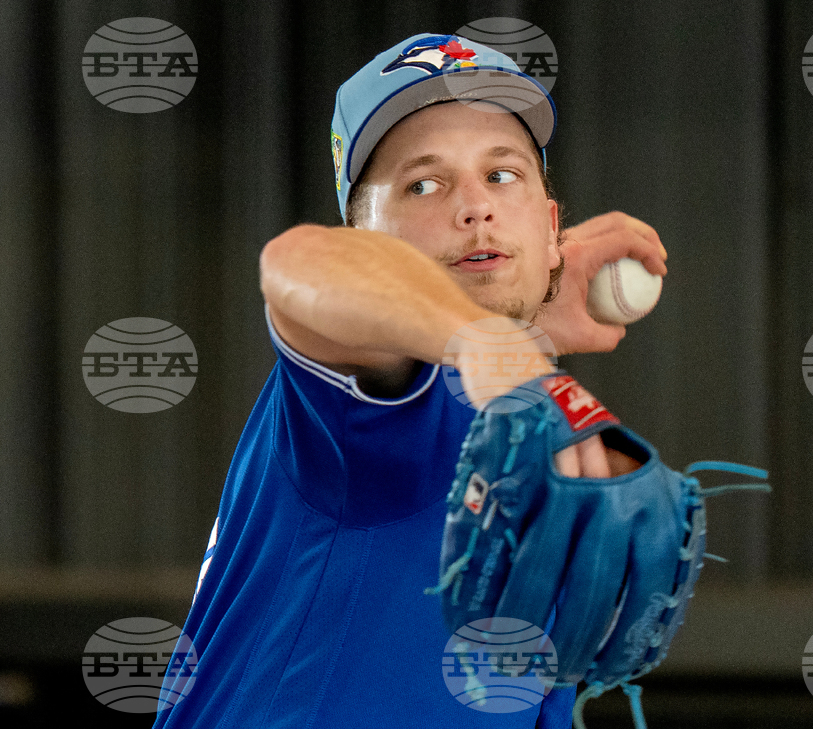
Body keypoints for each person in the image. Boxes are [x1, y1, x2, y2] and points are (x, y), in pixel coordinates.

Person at [153, 33, 667, 728]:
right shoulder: (361, 406)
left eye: (503, 174)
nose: (474, 207)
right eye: (423, 183)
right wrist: (488, 337)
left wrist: (523, 321)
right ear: (364, 238)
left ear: (551, 229)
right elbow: (301, 264)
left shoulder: (522, 434)